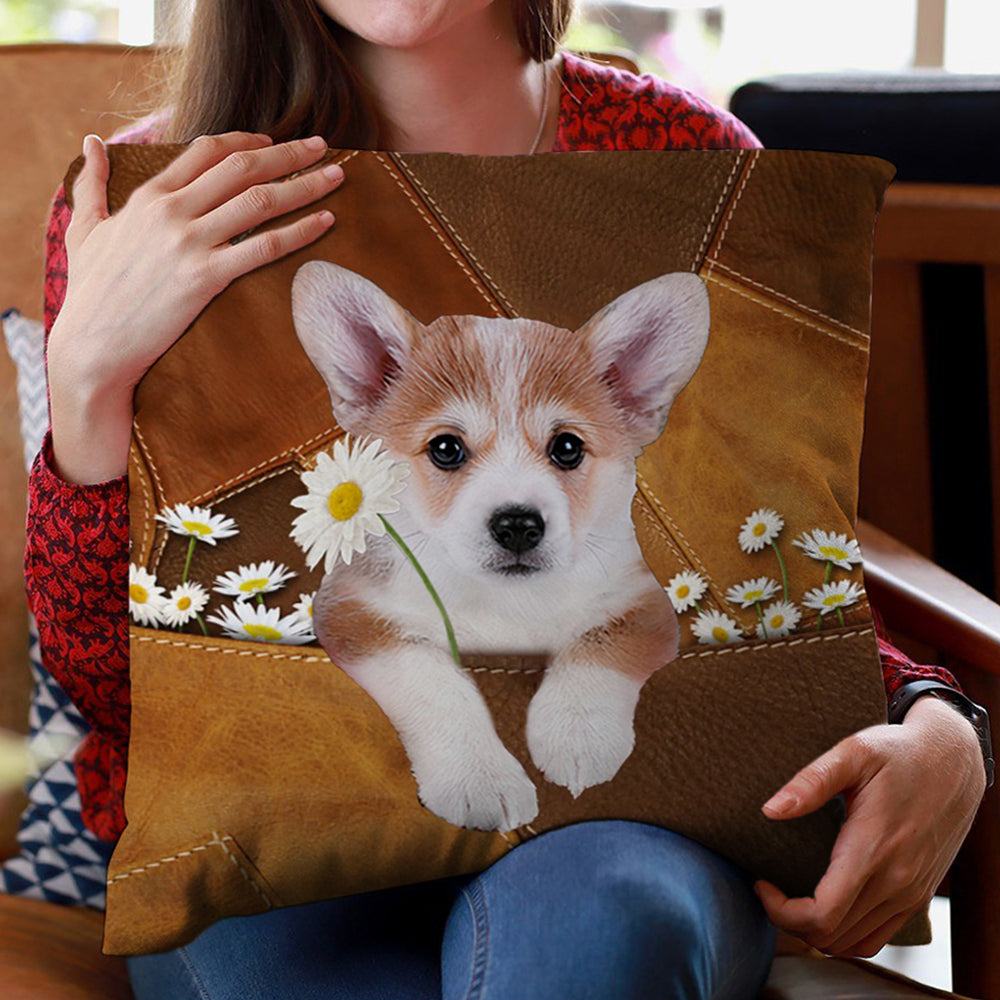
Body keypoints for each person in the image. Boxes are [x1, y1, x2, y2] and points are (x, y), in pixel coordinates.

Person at [24, 1, 988, 997]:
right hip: (269, 818)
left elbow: (761, 551)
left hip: (622, 822)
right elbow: (106, 681)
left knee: (600, 928)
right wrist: (88, 382)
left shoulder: (693, 168)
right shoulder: (157, 206)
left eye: (562, 450)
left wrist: (934, 713)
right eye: (451, 451)